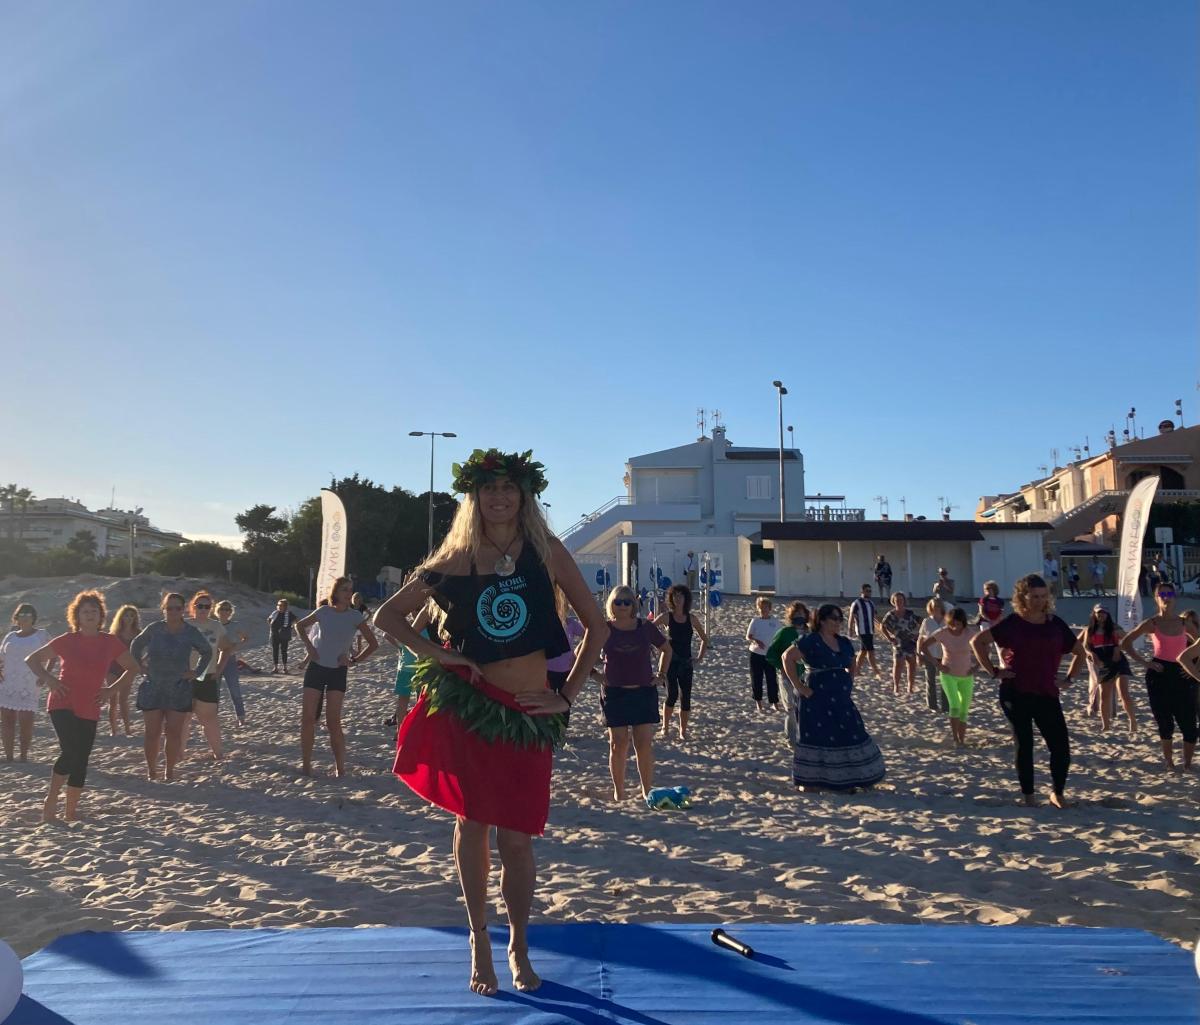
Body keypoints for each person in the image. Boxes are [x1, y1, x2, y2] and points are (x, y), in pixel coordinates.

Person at [373, 447, 607, 996]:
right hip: (471, 711)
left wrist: (567, 696)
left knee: (518, 840)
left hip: (527, 715)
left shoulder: (546, 552)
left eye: (508, 487)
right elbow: (388, 617)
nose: (499, 496)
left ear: (524, 495)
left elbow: (596, 627)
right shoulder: (458, 556)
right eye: (488, 488)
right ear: (474, 497)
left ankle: (518, 944)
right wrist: (442, 654)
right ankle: (479, 939)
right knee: (471, 825)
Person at [969, 574, 1086, 808]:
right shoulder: (1013, 622)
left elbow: (1080, 652)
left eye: (1043, 596)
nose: (1039, 601)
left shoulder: (1055, 624)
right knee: (1024, 744)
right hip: (1015, 691)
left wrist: (1069, 679)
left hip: (1047, 692)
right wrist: (994, 671)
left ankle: (1058, 793)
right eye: (1034, 596)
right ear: (1022, 597)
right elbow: (977, 642)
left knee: (1060, 746)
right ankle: (1028, 796)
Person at [25, 591, 140, 821]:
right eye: (85, 611)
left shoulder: (109, 642)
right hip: (62, 700)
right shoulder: (67, 640)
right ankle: (52, 798)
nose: (89, 615)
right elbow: (32, 659)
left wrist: (110, 690)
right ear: (76, 616)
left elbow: (133, 668)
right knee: (71, 750)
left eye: (94, 611)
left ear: (101, 616)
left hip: (90, 703)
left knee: (82, 757)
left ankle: (70, 811)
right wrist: (50, 679)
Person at [781, 604, 885, 792]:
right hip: (815, 697)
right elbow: (786, 657)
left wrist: (849, 681)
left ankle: (852, 779)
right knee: (817, 737)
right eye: (834, 618)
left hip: (840, 697)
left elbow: (852, 662)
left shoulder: (843, 642)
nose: (838, 622)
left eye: (840, 619)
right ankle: (812, 783)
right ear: (821, 620)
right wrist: (800, 687)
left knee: (851, 731)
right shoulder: (810, 640)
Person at [294, 577, 379, 778]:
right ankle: (306, 766)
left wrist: (353, 660)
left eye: (350, 590)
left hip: (337, 671)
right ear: (336, 592)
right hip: (316, 668)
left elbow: (373, 644)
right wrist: (309, 647)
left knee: (333, 721)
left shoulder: (355, 616)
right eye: (344, 590)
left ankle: (340, 768)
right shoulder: (324, 611)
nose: (348, 593)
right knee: (308, 719)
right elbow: (299, 626)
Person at [130, 593, 212, 781]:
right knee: (152, 733)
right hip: (153, 687)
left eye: (177, 608)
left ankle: (169, 770)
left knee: (174, 733)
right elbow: (136, 645)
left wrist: (196, 672)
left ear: (183, 609)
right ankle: (152, 770)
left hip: (178, 688)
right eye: (169, 608)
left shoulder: (190, 631)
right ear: (163, 609)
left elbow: (207, 651)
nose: (173, 611)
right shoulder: (154, 629)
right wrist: (140, 666)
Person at [598, 585, 670, 797]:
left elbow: (666, 649)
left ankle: (647, 790)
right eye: (618, 602)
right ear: (611, 604)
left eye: (627, 602)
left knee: (643, 744)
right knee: (618, 744)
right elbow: (579, 652)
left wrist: (661, 674)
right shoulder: (604, 629)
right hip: (615, 694)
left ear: (633, 605)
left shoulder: (645, 627)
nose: (622, 606)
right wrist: (594, 675)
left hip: (643, 692)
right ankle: (619, 792)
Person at [1119, 583, 1198, 772]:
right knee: (1165, 722)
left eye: (1169, 594)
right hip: (1159, 673)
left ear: (1175, 597)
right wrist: (1145, 662)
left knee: (1188, 722)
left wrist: (1195, 666)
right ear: (1156, 598)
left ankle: (1187, 764)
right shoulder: (1152, 623)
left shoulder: (1183, 623)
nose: (1166, 597)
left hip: (1182, 673)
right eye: (1162, 594)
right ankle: (1169, 762)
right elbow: (1126, 642)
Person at [653, 584, 709, 741]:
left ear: (686, 598)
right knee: (672, 695)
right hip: (669, 662)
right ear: (671, 598)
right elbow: (648, 630)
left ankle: (683, 731)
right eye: (675, 596)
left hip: (686, 663)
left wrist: (699, 658)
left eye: (681, 595)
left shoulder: (692, 618)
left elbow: (705, 639)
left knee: (686, 698)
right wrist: (657, 646)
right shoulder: (666, 617)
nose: (678, 598)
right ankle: (665, 727)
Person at [182, 591, 233, 763]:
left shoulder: (216, 626)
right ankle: (179, 754)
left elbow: (226, 648)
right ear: (193, 607)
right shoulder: (185, 625)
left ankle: (218, 754)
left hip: (207, 677)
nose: (203, 609)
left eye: (207, 606)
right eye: (200, 606)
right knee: (184, 718)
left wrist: (219, 669)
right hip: (185, 677)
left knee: (209, 718)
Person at [1070, 605, 1135, 734]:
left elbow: (1128, 640)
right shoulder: (1090, 629)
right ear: (1094, 614)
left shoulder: (1114, 628)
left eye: (1104, 613)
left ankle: (1132, 720)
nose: (1101, 615)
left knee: (1124, 693)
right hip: (1103, 663)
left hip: (1118, 661)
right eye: (1099, 613)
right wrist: (1091, 654)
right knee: (1104, 696)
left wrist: (1118, 648)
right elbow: (1085, 646)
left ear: (1108, 615)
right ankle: (1106, 726)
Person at [921, 608, 977, 748]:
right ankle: (955, 739)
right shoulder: (943, 632)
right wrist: (937, 664)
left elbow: (985, 647)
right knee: (955, 706)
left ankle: (962, 739)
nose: (956, 627)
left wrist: (977, 667)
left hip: (966, 675)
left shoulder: (969, 633)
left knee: (964, 709)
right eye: (953, 624)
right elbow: (924, 646)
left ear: (963, 623)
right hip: (949, 674)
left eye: (959, 624)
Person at [0, 604, 49, 762]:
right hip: (7, 682)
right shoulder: (10, 636)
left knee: (25, 721)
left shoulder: (41, 635)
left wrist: (45, 674)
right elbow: (1, 655)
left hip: (29, 683)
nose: (25, 616)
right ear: (17, 617)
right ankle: (9, 756)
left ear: (33, 617)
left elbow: (54, 654)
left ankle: (23, 756)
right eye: (22, 614)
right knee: (7, 720)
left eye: (28, 614)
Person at [766, 600, 810, 744]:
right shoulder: (784, 633)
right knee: (790, 708)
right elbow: (771, 654)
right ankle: (790, 737)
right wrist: (782, 667)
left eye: (801, 613)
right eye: (796, 614)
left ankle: (804, 736)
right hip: (787, 677)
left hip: (806, 676)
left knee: (804, 708)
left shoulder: (810, 633)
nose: (799, 616)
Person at [105, 605, 141, 737]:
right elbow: (106, 652)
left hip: (128, 669)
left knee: (124, 700)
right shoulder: (114, 634)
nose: (129, 618)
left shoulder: (138, 633)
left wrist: (141, 662)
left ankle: (127, 729)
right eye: (126, 615)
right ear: (121, 617)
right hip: (112, 668)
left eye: (132, 615)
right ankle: (113, 730)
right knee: (112, 700)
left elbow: (146, 649)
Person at [879, 592, 921, 697]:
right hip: (898, 643)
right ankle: (896, 687)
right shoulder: (891, 615)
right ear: (893, 601)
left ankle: (910, 687)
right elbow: (882, 626)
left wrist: (919, 634)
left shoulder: (910, 613)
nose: (899, 602)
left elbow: (922, 622)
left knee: (912, 665)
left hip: (911, 642)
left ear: (904, 601)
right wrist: (889, 638)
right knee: (898, 665)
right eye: (896, 600)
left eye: (901, 600)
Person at [746, 596, 782, 712]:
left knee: (771, 679)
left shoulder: (775, 622)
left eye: (765, 607)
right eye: (761, 607)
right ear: (758, 608)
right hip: (756, 653)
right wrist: (756, 641)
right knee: (757, 679)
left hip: (770, 655)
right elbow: (748, 636)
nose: (763, 610)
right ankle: (759, 702)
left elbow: (780, 636)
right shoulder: (755, 621)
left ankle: (774, 702)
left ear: (769, 608)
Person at [215, 601, 249, 726]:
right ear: (217, 611)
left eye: (227, 609)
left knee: (234, 690)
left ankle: (241, 717)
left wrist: (236, 646)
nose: (224, 612)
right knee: (214, 692)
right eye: (222, 609)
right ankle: (213, 717)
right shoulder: (213, 625)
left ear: (230, 612)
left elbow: (246, 638)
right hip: (214, 660)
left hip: (230, 660)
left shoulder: (235, 625)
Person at [917, 598, 949, 714]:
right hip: (929, 654)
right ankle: (932, 705)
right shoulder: (927, 621)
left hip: (944, 654)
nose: (936, 608)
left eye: (938, 606)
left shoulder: (947, 620)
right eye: (934, 606)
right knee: (930, 680)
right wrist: (918, 654)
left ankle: (946, 706)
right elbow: (920, 639)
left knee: (945, 681)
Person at [847, 585, 880, 677]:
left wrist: (880, 627)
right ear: (862, 592)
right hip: (862, 630)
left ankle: (856, 670)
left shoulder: (871, 603)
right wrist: (850, 629)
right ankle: (876, 671)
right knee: (870, 651)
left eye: (870, 591)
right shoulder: (857, 603)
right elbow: (851, 616)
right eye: (867, 591)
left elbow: (875, 617)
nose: (869, 593)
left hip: (870, 630)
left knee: (863, 651)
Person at [268, 599, 297, 673]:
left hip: (284, 635)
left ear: (285, 606)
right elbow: (269, 619)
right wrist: (272, 627)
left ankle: (285, 668)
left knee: (284, 651)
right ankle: (275, 668)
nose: (279, 606)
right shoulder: (275, 613)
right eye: (278, 605)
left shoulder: (289, 614)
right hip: (275, 634)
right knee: (275, 651)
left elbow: (296, 620)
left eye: (281, 605)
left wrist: (292, 628)